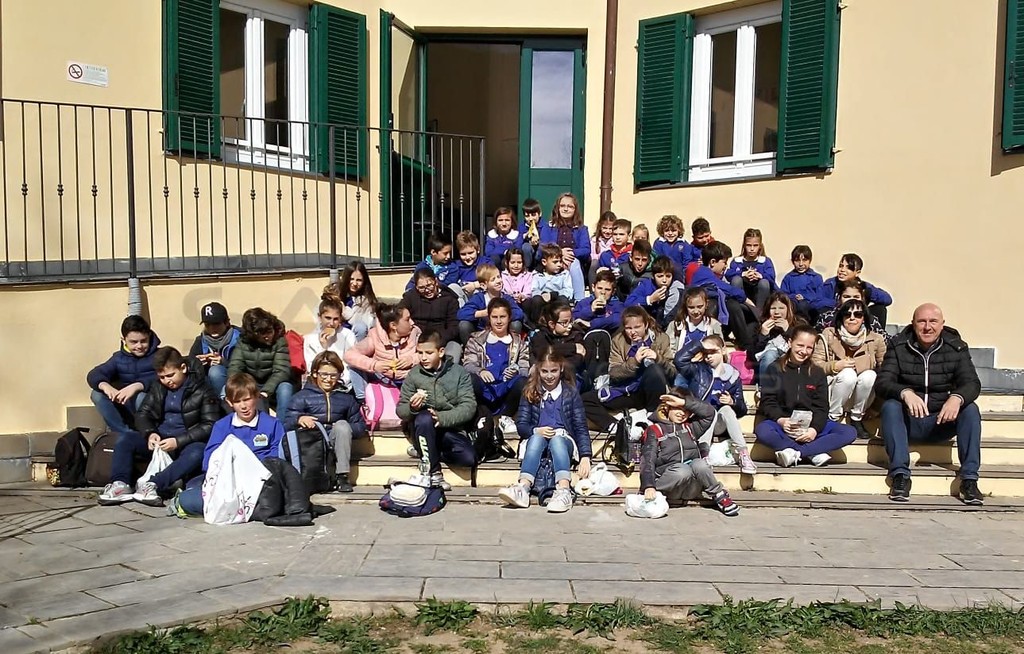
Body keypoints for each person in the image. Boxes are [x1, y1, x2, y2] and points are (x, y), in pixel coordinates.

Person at [875, 304, 983, 505]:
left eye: (933, 321)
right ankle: (900, 476)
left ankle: (969, 480)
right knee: (890, 405)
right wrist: (905, 392)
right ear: (913, 324)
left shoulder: (956, 347)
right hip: (908, 423)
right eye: (921, 321)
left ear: (942, 324)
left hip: (942, 421)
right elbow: (882, 382)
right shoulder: (898, 346)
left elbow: (972, 383)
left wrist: (957, 397)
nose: (927, 327)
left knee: (970, 409)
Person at [98, 346, 221, 506]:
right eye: (162, 377)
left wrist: (178, 441)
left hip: (187, 441)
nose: (167, 381)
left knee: (197, 452)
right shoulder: (158, 387)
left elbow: (210, 424)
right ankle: (120, 484)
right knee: (126, 439)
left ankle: (153, 485)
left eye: (170, 375)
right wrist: (150, 433)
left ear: (183, 368)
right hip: (160, 439)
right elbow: (143, 414)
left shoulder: (203, 390)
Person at [172, 372, 285, 517]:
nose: (243, 406)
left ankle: (245, 509)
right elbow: (209, 459)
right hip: (228, 480)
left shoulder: (273, 424)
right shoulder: (222, 426)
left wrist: (252, 467)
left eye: (247, 399)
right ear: (230, 403)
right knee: (189, 496)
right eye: (237, 401)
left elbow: (278, 457)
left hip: (260, 482)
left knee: (273, 499)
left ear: (257, 397)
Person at [498, 351, 591, 513]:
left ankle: (563, 490)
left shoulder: (570, 393)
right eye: (544, 371)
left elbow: (580, 426)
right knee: (536, 439)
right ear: (538, 370)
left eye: (553, 371)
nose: (549, 376)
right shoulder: (530, 391)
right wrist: (536, 430)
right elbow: (521, 425)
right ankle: (523, 487)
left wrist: (585, 456)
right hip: (537, 438)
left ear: (561, 369)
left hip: (562, 439)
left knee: (557, 440)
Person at [755, 325, 857, 467]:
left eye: (809, 348)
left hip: (810, 426)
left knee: (849, 432)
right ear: (790, 343)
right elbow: (768, 402)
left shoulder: (817, 372)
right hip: (785, 424)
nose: (804, 351)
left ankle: (795, 453)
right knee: (763, 430)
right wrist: (782, 420)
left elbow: (822, 407)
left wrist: (814, 429)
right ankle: (813, 452)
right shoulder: (774, 368)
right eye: (800, 345)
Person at [396, 330, 478, 490]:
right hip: (423, 427)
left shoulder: (459, 373)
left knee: (468, 458)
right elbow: (401, 409)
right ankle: (433, 472)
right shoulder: (414, 375)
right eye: (420, 353)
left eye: (428, 353)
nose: (423, 358)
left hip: (449, 428)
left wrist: (442, 418)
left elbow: (468, 406)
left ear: (441, 352)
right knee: (424, 418)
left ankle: (427, 452)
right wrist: (412, 408)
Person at [639, 389, 739, 515]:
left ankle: (720, 496)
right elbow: (647, 459)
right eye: (678, 409)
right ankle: (652, 493)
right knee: (683, 470)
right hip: (669, 487)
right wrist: (648, 486)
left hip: (691, 489)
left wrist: (683, 402)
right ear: (667, 407)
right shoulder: (655, 430)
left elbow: (709, 413)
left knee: (700, 463)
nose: (682, 413)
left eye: (686, 410)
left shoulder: (690, 427)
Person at [284, 351, 367, 493]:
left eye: (333, 375)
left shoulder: (346, 398)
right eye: (324, 374)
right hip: (312, 443)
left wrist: (344, 428)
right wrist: (299, 419)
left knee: (342, 426)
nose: (328, 379)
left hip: (337, 443)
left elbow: (360, 427)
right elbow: (286, 423)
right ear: (315, 373)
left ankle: (342, 477)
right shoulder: (301, 397)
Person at [583, 307, 675, 432]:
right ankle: (614, 426)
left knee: (654, 370)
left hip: (651, 392)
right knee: (585, 399)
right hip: (626, 390)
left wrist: (658, 358)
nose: (633, 332)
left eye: (637, 327)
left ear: (646, 325)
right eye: (628, 328)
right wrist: (634, 361)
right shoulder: (618, 340)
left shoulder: (661, 339)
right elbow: (614, 373)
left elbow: (672, 372)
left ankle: (653, 416)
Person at [674, 335, 756, 474]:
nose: (709, 356)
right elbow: (679, 360)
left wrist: (733, 402)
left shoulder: (733, 376)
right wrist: (699, 345)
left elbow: (742, 409)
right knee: (709, 410)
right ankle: (704, 454)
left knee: (727, 409)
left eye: (713, 352)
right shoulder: (697, 370)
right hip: (699, 421)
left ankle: (744, 453)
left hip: (720, 423)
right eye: (706, 353)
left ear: (723, 350)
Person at [812, 299, 887, 439]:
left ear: (864, 318)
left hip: (861, 396)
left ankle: (856, 418)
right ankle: (832, 418)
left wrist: (877, 407)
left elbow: (886, 373)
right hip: (834, 392)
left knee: (870, 375)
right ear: (841, 317)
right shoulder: (829, 334)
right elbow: (815, 366)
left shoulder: (876, 339)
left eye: (858, 314)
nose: (852, 318)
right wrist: (834, 366)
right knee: (848, 374)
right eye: (847, 314)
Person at [87, 315, 161, 436]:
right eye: (133, 342)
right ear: (123, 339)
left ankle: (148, 433)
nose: (139, 346)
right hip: (127, 408)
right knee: (97, 394)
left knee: (141, 397)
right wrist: (105, 386)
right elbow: (94, 374)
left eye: (143, 341)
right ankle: (124, 433)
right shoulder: (118, 358)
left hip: (153, 410)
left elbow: (167, 377)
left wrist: (138, 385)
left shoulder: (160, 355)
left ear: (149, 336)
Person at [463, 298, 530, 416]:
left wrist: (516, 371)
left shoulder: (519, 342)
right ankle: (481, 415)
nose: (498, 321)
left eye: (502, 317)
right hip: (485, 388)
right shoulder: (476, 340)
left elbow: (524, 368)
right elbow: (468, 365)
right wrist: (480, 371)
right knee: (471, 380)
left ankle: (506, 416)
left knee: (522, 382)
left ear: (509, 318)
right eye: (494, 317)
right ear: (489, 318)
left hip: (507, 389)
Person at [689, 241, 756, 351]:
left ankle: (748, 342)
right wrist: (747, 300)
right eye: (724, 262)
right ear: (712, 262)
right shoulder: (703, 273)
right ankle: (747, 345)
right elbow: (728, 289)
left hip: (715, 315)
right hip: (707, 315)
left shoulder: (711, 274)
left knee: (740, 309)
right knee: (733, 305)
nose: (726, 266)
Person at [227, 308, 294, 412]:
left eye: (269, 332)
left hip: (273, 383)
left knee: (285, 388)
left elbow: (282, 370)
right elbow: (235, 366)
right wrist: (238, 385)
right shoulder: (243, 342)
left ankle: (282, 422)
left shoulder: (279, 341)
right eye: (262, 334)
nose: (267, 337)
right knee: (227, 389)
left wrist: (266, 391)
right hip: (250, 382)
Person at [344, 302, 421, 386]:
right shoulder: (375, 337)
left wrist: (412, 359)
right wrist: (374, 365)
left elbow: (429, 353)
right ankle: (363, 395)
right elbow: (349, 355)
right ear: (393, 325)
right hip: (382, 381)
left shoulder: (415, 334)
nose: (412, 322)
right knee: (354, 368)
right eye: (407, 319)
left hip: (409, 381)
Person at [303, 295, 361, 398]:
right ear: (319, 317)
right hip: (319, 384)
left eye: (335, 319)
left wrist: (339, 381)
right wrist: (323, 348)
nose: (331, 323)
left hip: (342, 385)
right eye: (328, 318)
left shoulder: (347, 335)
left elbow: (350, 364)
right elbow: (311, 367)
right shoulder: (310, 339)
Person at [815, 253, 893, 328]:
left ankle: (876, 333)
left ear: (857, 273)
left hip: (858, 316)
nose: (842, 270)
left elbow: (887, 299)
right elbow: (817, 302)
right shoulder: (831, 284)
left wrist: (868, 293)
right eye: (841, 266)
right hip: (837, 316)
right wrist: (839, 304)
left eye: (849, 268)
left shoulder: (863, 286)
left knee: (880, 309)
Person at [402, 268, 462, 361]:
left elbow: (453, 328)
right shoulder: (410, 297)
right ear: (416, 287)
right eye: (421, 288)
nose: (427, 290)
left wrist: (436, 340)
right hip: (416, 339)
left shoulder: (449, 299)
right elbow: (399, 314)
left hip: (441, 340)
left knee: (453, 351)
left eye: (429, 285)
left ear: (436, 282)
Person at [538, 192, 590, 300]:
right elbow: (542, 247)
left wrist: (570, 254)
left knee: (574, 263)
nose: (566, 209)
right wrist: (560, 253)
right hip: (552, 260)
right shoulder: (548, 227)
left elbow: (586, 250)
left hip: (572, 261)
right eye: (562, 206)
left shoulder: (581, 228)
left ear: (575, 209)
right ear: (557, 208)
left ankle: (579, 300)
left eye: (570, 206)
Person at [457, 262, 525, 342]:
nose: (498, 281)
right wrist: (483, 313)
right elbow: (461, 314)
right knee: (464, 325)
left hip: (503, 332)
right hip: (482, 333)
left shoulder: (506, 298)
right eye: (493, 279)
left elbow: (519, 313)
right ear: (483, 285)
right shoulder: (479, 298)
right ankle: (470, 348)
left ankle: (513, 346)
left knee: (516, 324)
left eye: (498, 277)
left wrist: (504, 314)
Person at [748, 292, 804, 381]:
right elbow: (752, 356)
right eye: (773, 308)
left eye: (781, 308)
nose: (777, 312)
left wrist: (788, 330)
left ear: (788, 309)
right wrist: (763, 335)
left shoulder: (799, 324)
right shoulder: (758, 326)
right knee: (770, 355)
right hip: (765, 368)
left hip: (791, 365)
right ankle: (766, 387)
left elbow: (803, 347)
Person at [188, 302, 240, 398]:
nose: (212, 328)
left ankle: (224, 402)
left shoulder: (240, 337)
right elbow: (189, 365)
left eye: (216, 324)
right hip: (209, 385)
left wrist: (224, 362)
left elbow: (247, 366)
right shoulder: (200, 340)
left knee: (215, 371)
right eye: (208, 325)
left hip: (237, 380)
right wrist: (198, 363)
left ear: (227, 322)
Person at [815, 278, 889, 342]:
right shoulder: (826, 319)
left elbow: (884, 340)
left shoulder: (870, 320)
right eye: (846, 297)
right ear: (839, 298)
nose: (851, 300)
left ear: (862, 299)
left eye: (856, 297)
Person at [725, 228, 777, 316]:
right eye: (749, 245)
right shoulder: (737, 261)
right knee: (736, 279)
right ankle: (738, 312)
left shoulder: (765, 261)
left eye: (755, 245)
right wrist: (742, 274)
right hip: (743, 296)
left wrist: (760, 276)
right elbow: (728, 274)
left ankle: (759, 314)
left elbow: (772, 279)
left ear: (760, 246)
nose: (752, 249)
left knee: (764, 283)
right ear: (744, 245)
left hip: (759, 296)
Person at [523, 243, 574, 327]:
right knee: (535, 300)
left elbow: (568, 290)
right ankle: (536, 325)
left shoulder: (564, 274)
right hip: (543, 301)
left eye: (560, 261)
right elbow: (534, 289)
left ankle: (560, 324)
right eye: (555, 262)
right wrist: (543, 295)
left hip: (556, 300)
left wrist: (553, 295)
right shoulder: (537, 274)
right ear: (544, 262)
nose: (559, 264)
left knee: (563, 299)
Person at [326, 261, 378, 341]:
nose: (354, 283)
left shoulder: (366, 300)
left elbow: (366, 325)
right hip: (335, 334)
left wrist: (346, 312)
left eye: (359, 280)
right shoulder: (334, 294)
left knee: (360, 327)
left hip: (355, 338)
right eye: (351, 279)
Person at [625, 256, 682, 328]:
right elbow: (628, 303)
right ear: (653, 276)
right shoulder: (646, 285)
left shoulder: (675, 287)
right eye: (660, 276)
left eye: (668, 276)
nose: (664, 280)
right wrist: (650, 299)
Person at [666, 287, 725, 354]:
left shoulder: (714, 325)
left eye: (700, 307)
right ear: (685, 306)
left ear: (706, 304)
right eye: (691, 307)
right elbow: (668, 350)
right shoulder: (676, 325)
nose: (696, 311)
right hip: (681, 360)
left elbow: (720, 350)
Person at [780, 245, 822, 322]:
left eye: (804, 260)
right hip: (793, 309)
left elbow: (819, 296)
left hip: (810, 310)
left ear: (810, 260)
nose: (801, 264)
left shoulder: (816, 277)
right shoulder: (788, 278)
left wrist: (805, 298)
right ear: (792, 261)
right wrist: (794, 297)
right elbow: (783, 295)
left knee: (803, 305)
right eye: (797, 260)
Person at [652, 214, 696, 281]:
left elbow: (687, 261)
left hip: (679, 276)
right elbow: (657, 260)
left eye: (673, 230)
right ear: (662, 231)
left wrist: (684, 275)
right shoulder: (659, 243)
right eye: (667, 230)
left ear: (679, 231)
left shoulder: (683, 244)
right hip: (663, 275)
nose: (670, 233)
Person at [448, 231, 484, 305]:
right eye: (463, 254)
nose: (467, 257)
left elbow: (491, 280)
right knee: (452, 287)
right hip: (463, 295)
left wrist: (474, 285)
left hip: (480, 295)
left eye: (470, 253)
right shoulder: (457, 265)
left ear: (478, 249)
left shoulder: (485, 262)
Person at [685, 216, 715, 284]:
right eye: (700, 238)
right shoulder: (691, 248)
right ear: (694, 237)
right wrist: (696, 264)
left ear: (710, 233)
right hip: (699, 278)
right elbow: (688, 264)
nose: (704, 240)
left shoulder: (715, 246)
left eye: (707, 236)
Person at [521, 197, 542, 269]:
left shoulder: (544, 226)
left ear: (539, 214)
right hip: (527, 255)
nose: (530, 219)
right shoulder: (521, 226)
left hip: (539, 257)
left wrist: (538, 241)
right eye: (527, 216)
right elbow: (517, 241)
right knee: (526, 247)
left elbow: (546, 241)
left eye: (533, 215)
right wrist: (525, 237)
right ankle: (526, 269)